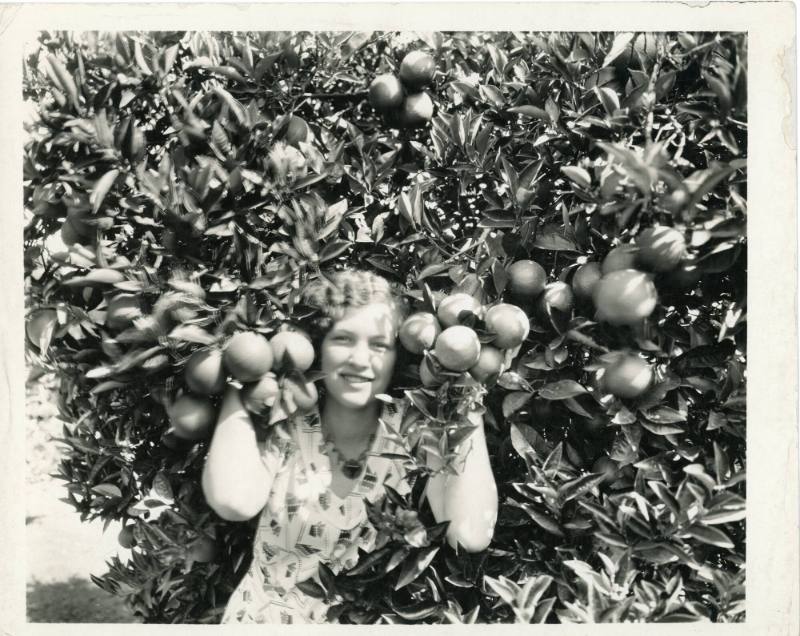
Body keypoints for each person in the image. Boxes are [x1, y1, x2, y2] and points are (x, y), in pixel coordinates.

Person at [201, 269, 498, 624]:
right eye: (343, 339)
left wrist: (465, 387)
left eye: (379, 344)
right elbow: (234, 500)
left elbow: (470, 533)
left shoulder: (413, 427)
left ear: (398, 354)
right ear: (319, 346)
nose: (360, 359)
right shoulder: (286, 417)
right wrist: (242, 372)